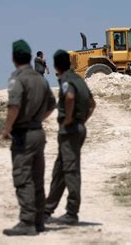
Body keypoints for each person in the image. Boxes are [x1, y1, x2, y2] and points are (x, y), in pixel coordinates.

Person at [1, 40, 56, 236]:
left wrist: (7, 129)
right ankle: (39, 221)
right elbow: (52, 104)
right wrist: (37, 119)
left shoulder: (18, 78)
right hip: (38, 133)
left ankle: (27, 222)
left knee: (23, 177)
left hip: (23, 134)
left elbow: (14, 105)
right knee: (37, 178)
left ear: (13, 59)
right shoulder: (41, 79)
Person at [44, 49, 96, 225]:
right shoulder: (79, 80)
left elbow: (70, 97)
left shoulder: (66, 80)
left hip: (70, 130)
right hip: (78, 127)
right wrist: (82, 121)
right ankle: (47, 210)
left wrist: (68, 120)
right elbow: (92, 103)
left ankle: (72, 213)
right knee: (60, 169)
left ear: (56, 65)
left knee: (71, 170)